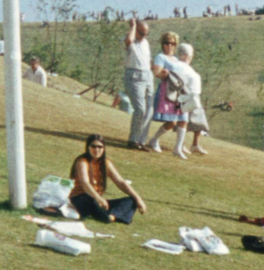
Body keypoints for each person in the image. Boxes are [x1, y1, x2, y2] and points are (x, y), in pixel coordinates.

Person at [69, 134, 146, 223]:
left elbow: (120, 182)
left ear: (104, 148)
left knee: (131, 200)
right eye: (93, 146)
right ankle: (108, 216)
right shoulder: (82, 161)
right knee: (89, 200)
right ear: (88, 147)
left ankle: (110, 216)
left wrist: (138, 199)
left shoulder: (105, 163)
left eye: (100, 147)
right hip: (82, 198)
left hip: (98, 201)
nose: (96, 150)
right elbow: (85, 183)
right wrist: (98, 198)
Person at [145, 31, 191, 156]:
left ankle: (178, 148)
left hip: (178, 90)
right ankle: (154, 139)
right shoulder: (160, 57)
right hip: (167, 90)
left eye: (172, 43)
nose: (169, 46)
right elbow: (157, 73)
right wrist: (163, 73)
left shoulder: (176, 59)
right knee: (172, 121)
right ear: (163, 44)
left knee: (183, 118)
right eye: (167, 43)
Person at [123, 15, 154, 151]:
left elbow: (148, 60)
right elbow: (129, 40)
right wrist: (133, 26)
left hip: (147, 75)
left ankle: (141, 140)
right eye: (141, 33)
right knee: (140, 109)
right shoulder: (130, 40)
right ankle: (133, 140)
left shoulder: (145, 43)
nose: (143, 36)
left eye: (146, 34)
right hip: (134, 76)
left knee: (149, 110)